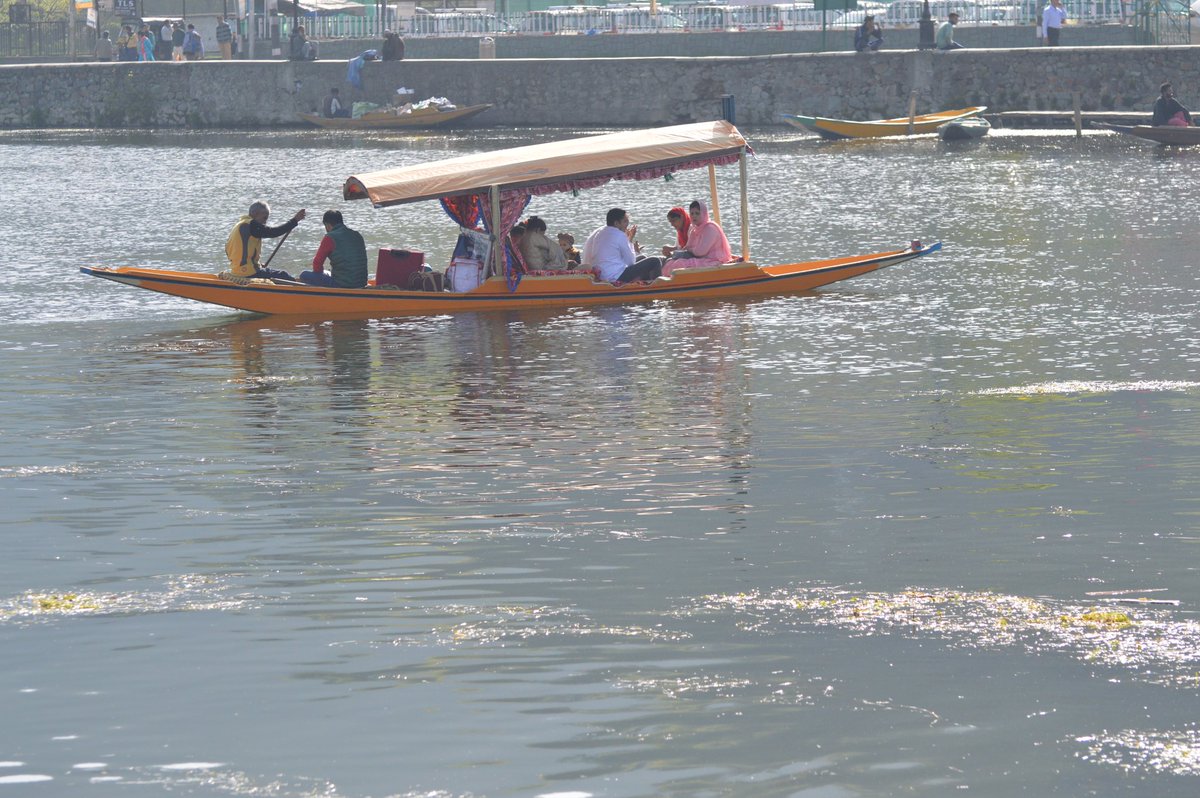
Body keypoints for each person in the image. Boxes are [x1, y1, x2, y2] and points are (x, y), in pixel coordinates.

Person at [225, 201, 307, 281]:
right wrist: (294, 221)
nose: (265, 222)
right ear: (255, 214)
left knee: (281, 274)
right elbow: (273, 232)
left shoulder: (239, 225)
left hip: (236, 270)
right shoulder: (251, 225)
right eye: (264, 218)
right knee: (284, 276)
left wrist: (257, 265)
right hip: (248, 273)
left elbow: (229, 249)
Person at [581, 208, 665, 284]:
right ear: (616, 223)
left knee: (642, 257)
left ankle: (644, 285)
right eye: (625, 221)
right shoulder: (619, 235)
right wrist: (629, 240)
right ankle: (658, 288)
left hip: (603, 274)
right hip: (615, 276)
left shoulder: (600, 232)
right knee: (655, 261)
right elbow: (630, 262)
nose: (627, 224)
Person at [661, 200, 732, 278]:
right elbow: (687, 247)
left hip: (715, 261)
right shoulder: (695, 229)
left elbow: (700, 252)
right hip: (702, 259)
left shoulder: (710, 228)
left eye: (697, 213)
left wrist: (690, 250)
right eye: (692, 213)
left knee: (680, 264)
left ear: (703, 214)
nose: (694, 216)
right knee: (671, 262)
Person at [301, 210, 368, 288]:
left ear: (327, 225)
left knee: (304, 275)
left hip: (342, 285)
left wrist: (318, 276)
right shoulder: (357, 235)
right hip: (361, 283)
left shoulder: (330, 237)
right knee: (326, 272)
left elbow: (317, 264)